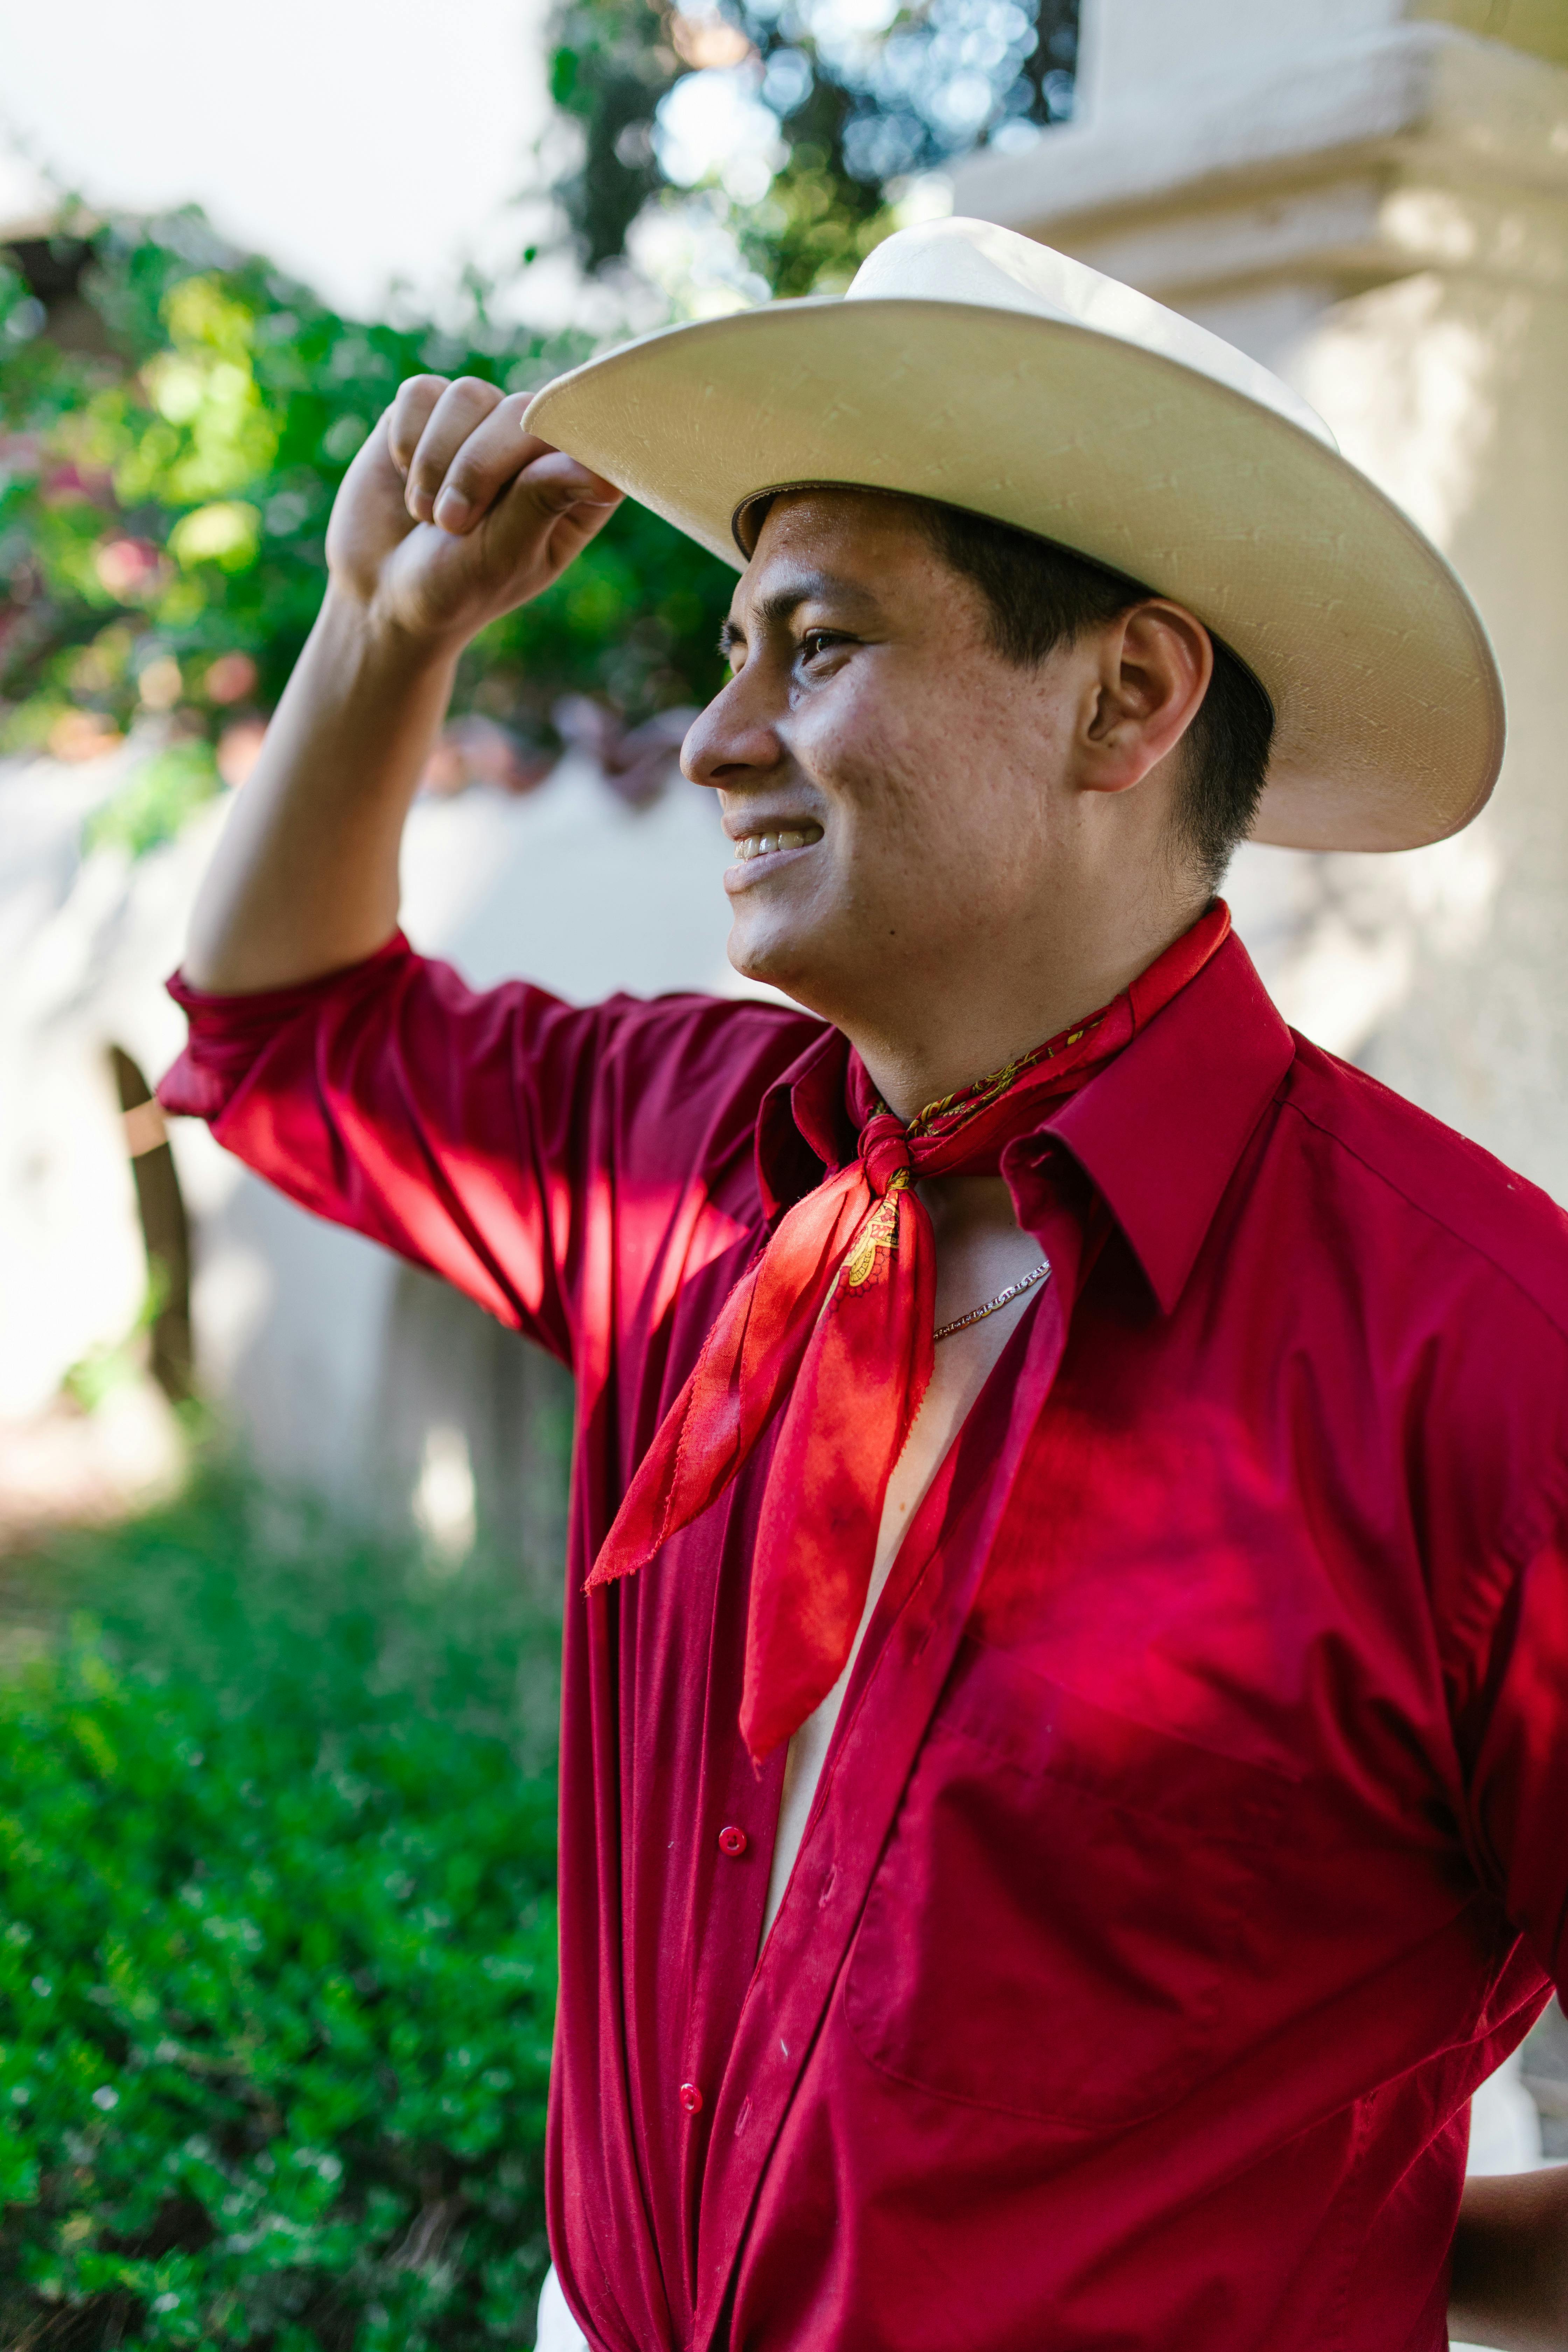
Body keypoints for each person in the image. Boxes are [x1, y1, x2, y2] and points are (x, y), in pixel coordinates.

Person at [159, 219, 1568, 2352]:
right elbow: (285, 1043)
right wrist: (376, 631)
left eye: (806, 648)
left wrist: (1342, 2249)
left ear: (1127, 693)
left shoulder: (1487, 1359)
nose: (715, 738)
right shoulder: (688, 1161)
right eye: (731, 648)